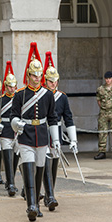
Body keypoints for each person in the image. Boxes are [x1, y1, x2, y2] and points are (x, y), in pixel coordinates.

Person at [10, 42, 60, 221]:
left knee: (40, 169)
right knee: (29, 167)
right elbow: (13, 116)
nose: (37, 78)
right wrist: (17, 124)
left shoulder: (47, 95)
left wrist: (55, 140)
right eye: (34, 75)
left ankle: (37, 203)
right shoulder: (20, 94)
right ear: (28, 75)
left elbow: (52, 118)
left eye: (39, 75)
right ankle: (31, 205)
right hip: (26, 135)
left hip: (42, 136)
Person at [42, 51, 78, 211]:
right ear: (46, 81)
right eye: (50, 81)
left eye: (55, 81)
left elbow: (68, 118)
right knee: (45, 162)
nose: (53, 84)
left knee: (54, 164)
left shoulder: (62, 97)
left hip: (56, 130)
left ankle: (51, 192)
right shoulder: (41, 95)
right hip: (43, 131)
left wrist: (73, 140)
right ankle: (49, 196)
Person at [0, 61, 19, 196]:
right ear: (5, 87)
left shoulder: (20, 98)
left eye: (13, 86)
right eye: (9, 86)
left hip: (17, 132)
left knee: (15, 159)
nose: (12, 89)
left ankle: (9, 180)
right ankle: (11, 184)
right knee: (7, 157)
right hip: (5, 130)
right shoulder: (0, 100)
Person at [94, 71, 112, 160]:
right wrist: (104, 109)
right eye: (106, 78)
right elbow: (99, 101)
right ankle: (102, 151)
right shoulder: (100, 89)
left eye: (109, 78)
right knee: (102, 132)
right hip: (104, 112)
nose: (108, 80)